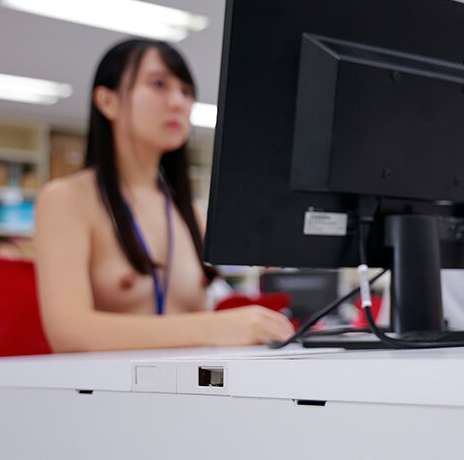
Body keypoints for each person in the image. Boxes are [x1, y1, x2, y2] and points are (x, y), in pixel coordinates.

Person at [34, 39, 294, 352]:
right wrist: (213, 327)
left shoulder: (190, 213)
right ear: (107, 101)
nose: (178, 103)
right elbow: (68, 332)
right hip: (106, 382)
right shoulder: (66, 199)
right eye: (158, 84)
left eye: (186, 91)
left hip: (186, 380)